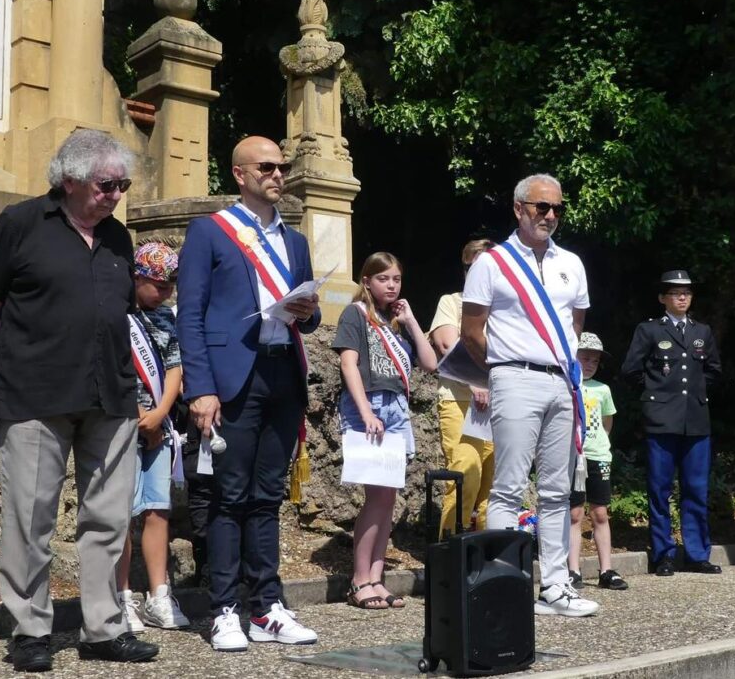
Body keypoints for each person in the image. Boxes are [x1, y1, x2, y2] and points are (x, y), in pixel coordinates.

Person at [0, 129, 159, 671]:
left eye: (123, 184)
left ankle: (103, 628)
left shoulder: (119, 239)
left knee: (108, 519)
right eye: (107, 184)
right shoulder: (19, 224)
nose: (117, 194)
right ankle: (31, 630)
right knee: (30, 519)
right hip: (36, 395)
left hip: (110, 396)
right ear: (70, 179)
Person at [176, 136, 320, 651]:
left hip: (282, 372)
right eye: (267, 167)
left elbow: (312, 309)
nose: (278, 174)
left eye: (282, 167)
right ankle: (224, 609)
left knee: (267, 498)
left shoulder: (294, 241)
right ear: (239, 174)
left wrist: (309, 310)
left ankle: (267, 606)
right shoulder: (210, 232)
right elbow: (188, 315)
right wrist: (200, 388)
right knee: (226, 497)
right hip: (231, 376)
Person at [461, 173, 599, 618]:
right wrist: (503, 367)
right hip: (514, 378)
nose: (552, 216)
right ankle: (506, 583)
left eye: (558, 208)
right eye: (542, 207)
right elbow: (471, 331)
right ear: (519, 208)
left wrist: (555, 362)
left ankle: (556, 585)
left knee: (559, 490)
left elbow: (573, 326)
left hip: (562, 379)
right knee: (509, 486)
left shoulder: (572, 263)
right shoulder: (492, 263)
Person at [334, 252, 437, 609]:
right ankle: (359, 579)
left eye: (396, 279)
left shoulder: (395, 321)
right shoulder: (355, 315)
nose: (391, 285)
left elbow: (429, 362)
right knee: (375, 497)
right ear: (366, 281)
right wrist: (365, 413)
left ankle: (376, 578)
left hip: (396, 408)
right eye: (383, 279)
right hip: (370, 407)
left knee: (388, 498)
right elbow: (349, 364)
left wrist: (410, 322)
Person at [620, 270, 722, 576]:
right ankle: (663, 553)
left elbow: (714, 371)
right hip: (661, 419)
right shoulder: (650, 330)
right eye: (675, 292)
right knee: (660, 489)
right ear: (663, 297)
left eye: (687, 293)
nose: (682, 297)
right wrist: (658, 393)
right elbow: (631, 370)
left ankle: (696, 553)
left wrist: (694, 395)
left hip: (696, 421)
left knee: (696, 488)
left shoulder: (702, 331)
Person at [116, 241, 190, 632]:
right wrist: (138, 415)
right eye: (158, 285)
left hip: (160, 428)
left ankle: (158, 593)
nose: (166, 292)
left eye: (171, 285)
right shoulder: (117, 315)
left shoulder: (166, 319)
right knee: (122, 513)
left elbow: (175, 368)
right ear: (137, 278)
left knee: (157, 509)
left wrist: (161, 413)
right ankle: (121, 595)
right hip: (121, 425)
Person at [428, 238, 497, 538]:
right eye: (473, 266)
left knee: (493, 486)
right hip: (459, 401)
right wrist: (477, 379)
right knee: (466, 470)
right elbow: (446, 342)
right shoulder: (452, 301)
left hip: (499, 406)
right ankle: (450, 549)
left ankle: (485, 557)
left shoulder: (504, 309)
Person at [567, 332, 627, 590]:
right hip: (573, 456)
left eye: (595, 360)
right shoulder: (567, 385)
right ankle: (572, 570)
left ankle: (606, 569)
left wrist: (598, 443)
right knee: (574, 513)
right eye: (584, 358)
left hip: (598, 455)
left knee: (600, 512)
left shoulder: (603, 389)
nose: (590, 364)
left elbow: (607, 422)